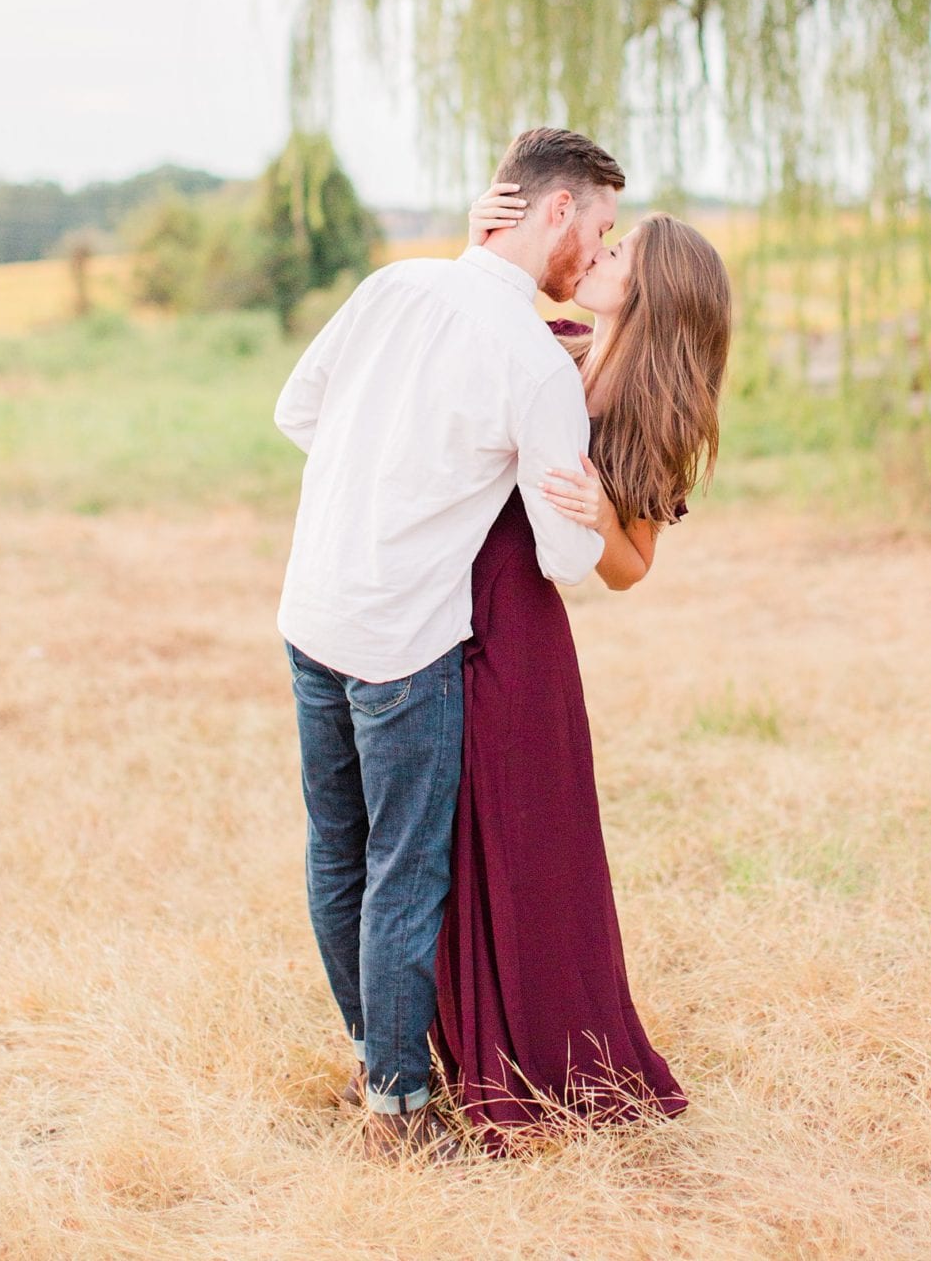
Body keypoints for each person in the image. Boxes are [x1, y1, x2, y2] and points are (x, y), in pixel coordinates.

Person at [273, 128, 625, 1162]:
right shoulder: (534, 362)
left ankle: (371, 1061)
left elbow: (299, 410)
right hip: (402, 639)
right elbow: (564, 554)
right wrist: (597, 501)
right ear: (556, 212)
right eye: (599, 231)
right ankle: (399, 1104)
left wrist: (391, 450)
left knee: (336, 848)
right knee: (402, 870)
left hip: (310, 607)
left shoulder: (392, 289)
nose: (597, 255)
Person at [431, 180, 732, 1150]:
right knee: (441, 837)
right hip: (435, 594)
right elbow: (465, 313)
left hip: (520, 627)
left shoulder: (651, 410)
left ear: (652, 297)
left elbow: (632, 570)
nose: (596, 256)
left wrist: (601, 516)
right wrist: (484, 238)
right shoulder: (541, 340)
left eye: (618, 255)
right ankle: (447, 1048)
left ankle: (549, 1058)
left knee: (528, 852)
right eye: (603, 242)